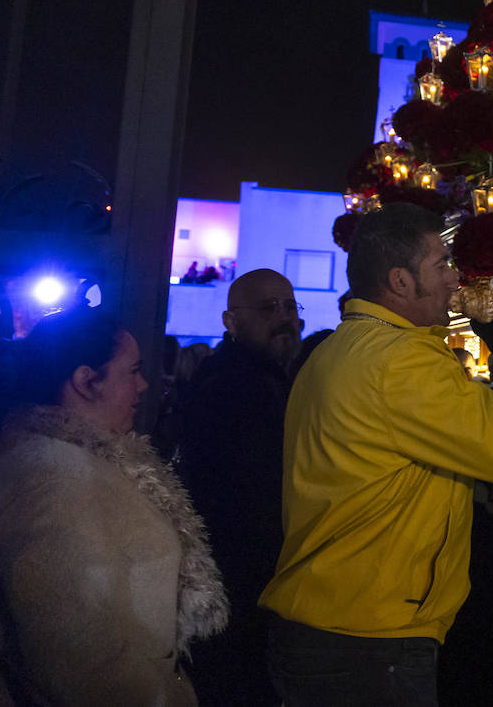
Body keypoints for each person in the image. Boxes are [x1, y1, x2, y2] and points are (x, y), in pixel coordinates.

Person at [259, 203, 493, 706]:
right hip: (370, 639)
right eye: (440, 264)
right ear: (399, 281)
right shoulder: (400, 359)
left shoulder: (347, 346)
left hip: (333, 622)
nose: (454, 278)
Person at [0, 306, 227, 703]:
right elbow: (83, 663)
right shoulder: (50, 484)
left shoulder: (68, 459)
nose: (143, 386)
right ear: (86, 382)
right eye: (133, 371)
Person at [178, 269, 302, 704]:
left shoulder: (265, 379)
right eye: (270, 308)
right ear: (231, 322)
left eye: (290, 306)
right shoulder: (232, 388)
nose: (285, 318)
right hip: (239, 589)